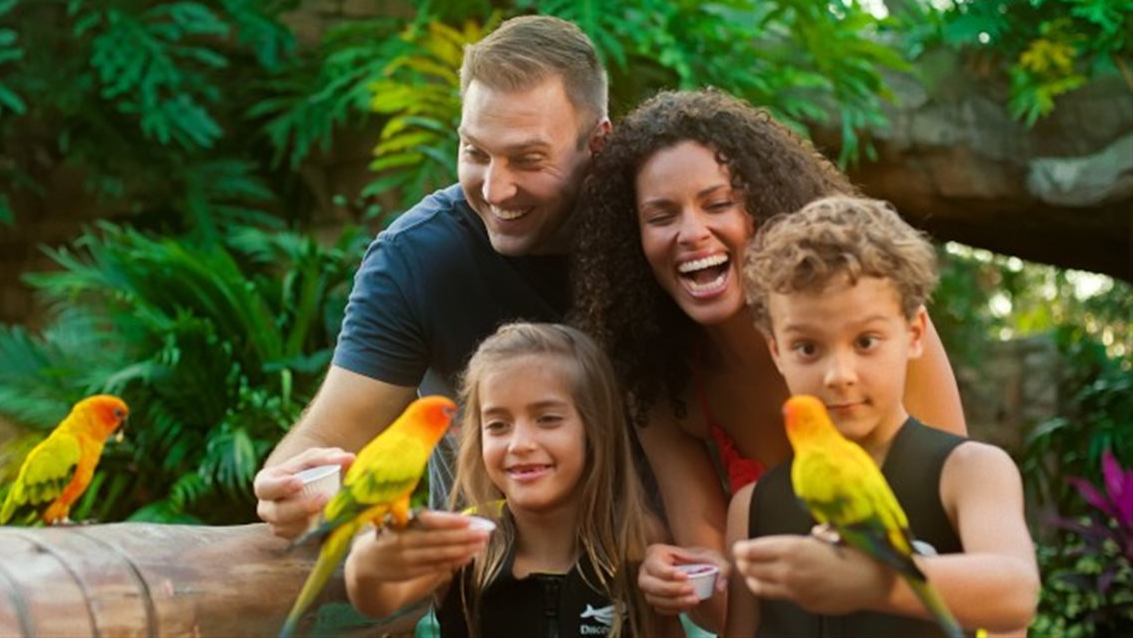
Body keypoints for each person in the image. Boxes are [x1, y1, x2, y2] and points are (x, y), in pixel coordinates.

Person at [570, 88, 967, 631]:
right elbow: (723, 604)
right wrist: (674, 575)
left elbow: (968, 545)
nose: (691, 233)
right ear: (632, 238)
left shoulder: (878, 329)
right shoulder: (661, 380)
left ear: (767, 207)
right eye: (661, 216)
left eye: (717, 204)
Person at [254, 15, 611, 540]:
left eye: (528, 159)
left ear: (597, 145)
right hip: (488, 593)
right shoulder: (417, 257)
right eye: (476, 152)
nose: (495, 188)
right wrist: (289, 489)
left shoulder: (658, 230)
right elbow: (327, 437)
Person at [725, 196, 1039, 636]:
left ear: (913, 335)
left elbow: (1016, 595)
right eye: (807, 348)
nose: (839, 375)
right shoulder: (752, 507)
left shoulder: (969, 472)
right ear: (777, 352)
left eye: (866, 341)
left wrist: (875, 584)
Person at [344, 322, 674, 637]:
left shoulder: (637, 538)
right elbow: (378, 600)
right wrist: (365, 563)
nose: (519, 444)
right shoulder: (462, 544)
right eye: (498, 425)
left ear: (595, 430)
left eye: (547, 419)